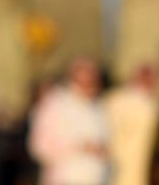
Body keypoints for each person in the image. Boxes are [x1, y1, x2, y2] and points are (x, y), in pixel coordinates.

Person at [29, 57, 112, 185]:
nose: (89, 83)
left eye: (92, 79)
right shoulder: (54, 103)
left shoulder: (98, 107)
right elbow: (39, 147)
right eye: (84, 78)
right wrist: (80, 147)